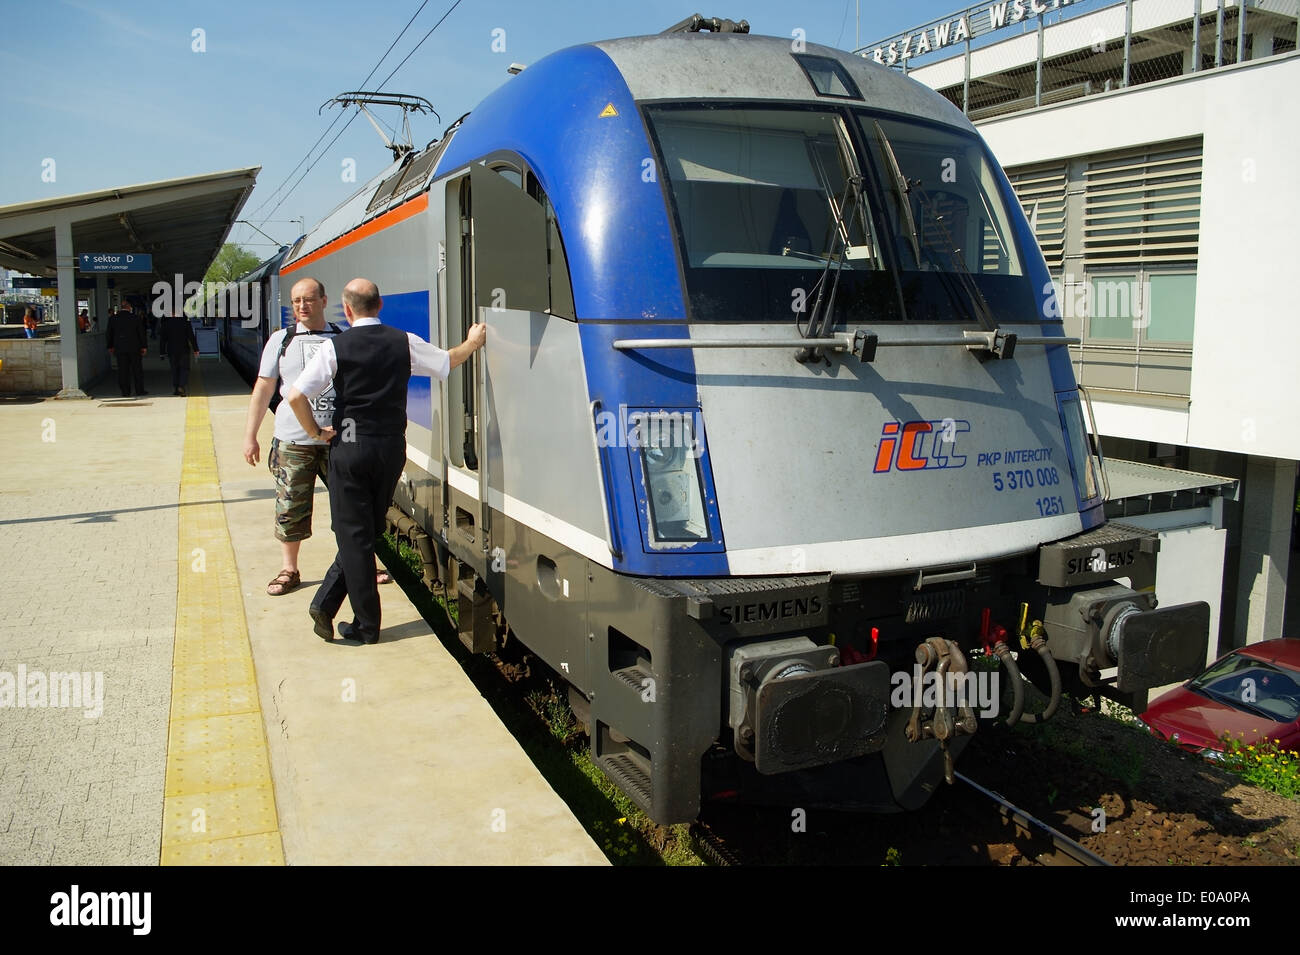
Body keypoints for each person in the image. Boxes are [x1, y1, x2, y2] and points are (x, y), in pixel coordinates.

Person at [286, 277, 486, 644]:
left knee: (353, 534)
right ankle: (325, 605)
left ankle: (365, 625)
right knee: (367, 531)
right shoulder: (403, 341)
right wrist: (473, 342)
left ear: (346, 310)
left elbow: (296, 396)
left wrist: (315, 433)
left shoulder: (336, 347)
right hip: (391, 448)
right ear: (379, 306)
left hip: (349, 446)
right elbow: (448, 361)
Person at [242, 277, 345, 596]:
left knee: (350, 505)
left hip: (336, 438)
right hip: (293, 440)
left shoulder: (342, 338)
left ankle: (360, 563)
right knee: (290, 506)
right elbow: (264, 389)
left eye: (309, 299)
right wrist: (251, 435)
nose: (302, 306)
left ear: (324, 301)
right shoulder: (281, 340)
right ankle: (290, 569)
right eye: (297, 301)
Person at [106, 301, 147, 397]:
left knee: (123, 370)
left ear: (121, 308)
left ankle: (125, 391)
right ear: (129, 308)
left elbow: (109, 334)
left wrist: (110, 346)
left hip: (120, 348)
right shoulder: (136, 318)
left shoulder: (113, 319)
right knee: (137, 369)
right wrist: (144, 346)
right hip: (135, 348)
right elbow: (141, 333)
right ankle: (139, 390)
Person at [158, 312, 199, 396]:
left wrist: (162, 353)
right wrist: (196, 349)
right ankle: (181, 386)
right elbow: (191, 336)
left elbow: (162, 340)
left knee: (174, 369)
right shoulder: (185, 322)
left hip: (171, 350)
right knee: (184, 368)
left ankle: (176, 388)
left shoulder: (166, 324)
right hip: (184, 350)